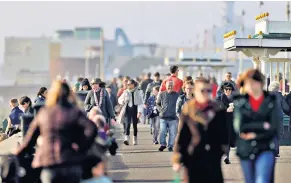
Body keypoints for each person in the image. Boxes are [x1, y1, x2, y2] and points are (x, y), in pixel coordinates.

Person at [14, 80, 97, 183]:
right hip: (71, 163)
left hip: (50, 164)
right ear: (69, 94)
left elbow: (29, 140)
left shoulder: (44, 113)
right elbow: (92, 128)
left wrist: (15, 155)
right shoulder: (74, 111)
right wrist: (81, 147)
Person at [172, 77, 228, 183]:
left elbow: (224, 133)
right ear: (195, 92)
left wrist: (222, 150)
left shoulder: (218, 110)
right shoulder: (188, 110)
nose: (206, 93)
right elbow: (183, 135)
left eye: (208, 90)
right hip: (193, 156)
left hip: (213, 157)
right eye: (202, 90)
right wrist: (177, 158)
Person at [234, 69, 279, 183]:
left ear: (260, 83)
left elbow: (274, 127)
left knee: (262, 180)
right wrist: (263, 125)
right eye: (246, 83)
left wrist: (253, 133)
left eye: (251, 82)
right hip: (246, 149)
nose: (249, 86)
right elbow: (239, 127)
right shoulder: (240, 102)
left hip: (266, 147)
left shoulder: (271, 101)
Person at [118, 79, 143, 146]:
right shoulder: (126, 92)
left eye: (129, 84)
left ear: (133, 85)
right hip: (127, 110)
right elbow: (119, 99)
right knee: (127, 124)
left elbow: (141, 103)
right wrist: (122, 101)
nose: (128, 85)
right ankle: (126, 139)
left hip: (135, 110)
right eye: (127, 84)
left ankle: (135, 139)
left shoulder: (138, 92)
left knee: (135, 125)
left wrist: (139, 112)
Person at [156, 80, 179, 152]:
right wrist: (161, 110)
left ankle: (170, 146)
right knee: (162, 131)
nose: (170, 87)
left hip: (173, 118)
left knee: (172, 133)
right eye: (168, 85)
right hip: (163, 117)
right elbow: (157, 104)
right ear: (166, 86)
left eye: (171, 85)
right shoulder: (162, 94)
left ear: (173, 86)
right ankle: (163, 144)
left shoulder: (176, 95)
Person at [268, 81, 289, 157]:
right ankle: (276, 152)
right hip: (278, 118)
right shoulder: (280, 96)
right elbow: (285, 108)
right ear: (278, 88)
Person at [217, 82, 236, 164]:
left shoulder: (235, 99)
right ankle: (223, 156)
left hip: (231, 122)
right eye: (226, 89)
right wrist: (226, 110)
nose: (228, 91)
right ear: (223, 90)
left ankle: (226, 156)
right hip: (221, 122)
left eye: (230, 89)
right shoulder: (219, 98)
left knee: (229, 140)